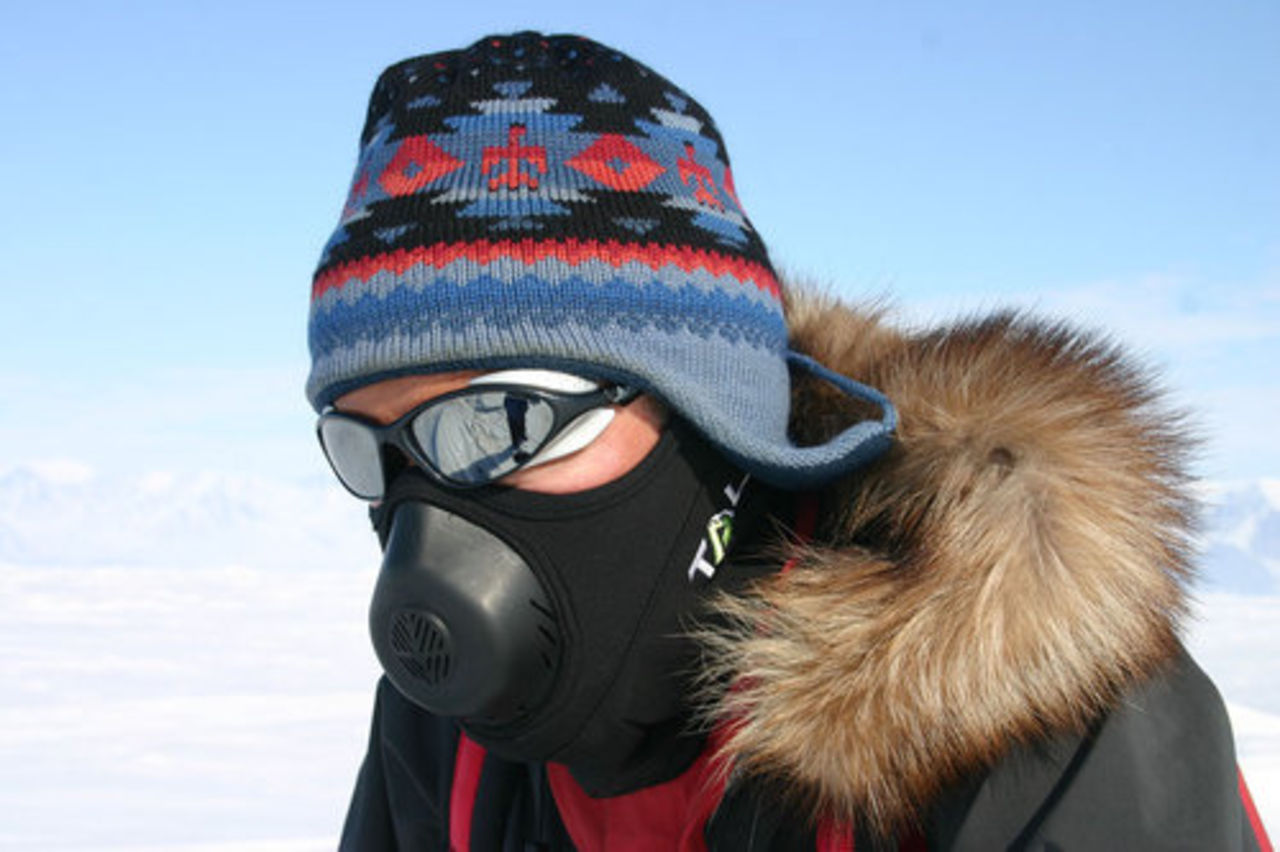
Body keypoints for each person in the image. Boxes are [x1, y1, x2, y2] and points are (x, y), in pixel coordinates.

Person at [306, 32, 1271, 851]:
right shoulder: (452, 732)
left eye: (500, 422)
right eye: (375, 447)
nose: (430, 522)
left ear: (708, 412)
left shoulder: (1036, 723)